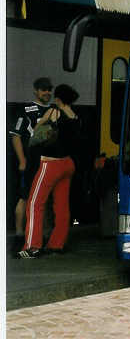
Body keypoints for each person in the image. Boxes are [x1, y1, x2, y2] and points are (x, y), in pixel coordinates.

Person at [18, 84, 81, 259]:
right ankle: (56, 244)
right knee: (61, 206)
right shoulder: (75, 116)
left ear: (58, 99)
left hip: (50, 165)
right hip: (68, 164)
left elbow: (37, 131)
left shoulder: (54, 112)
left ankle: (32, 246)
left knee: (34, 204)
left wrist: (41, 125)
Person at [8, 77, 54, 248]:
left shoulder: (54, 109)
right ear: (35, 90)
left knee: (46, 199)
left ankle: (45, 235)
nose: (47, 92)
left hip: (49, 163)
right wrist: (22, 160)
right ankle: (20, 235)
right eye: (43, 89)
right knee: (25, 197)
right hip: (31, 162)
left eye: (49, 89)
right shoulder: (26, 109)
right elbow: (15, 135)